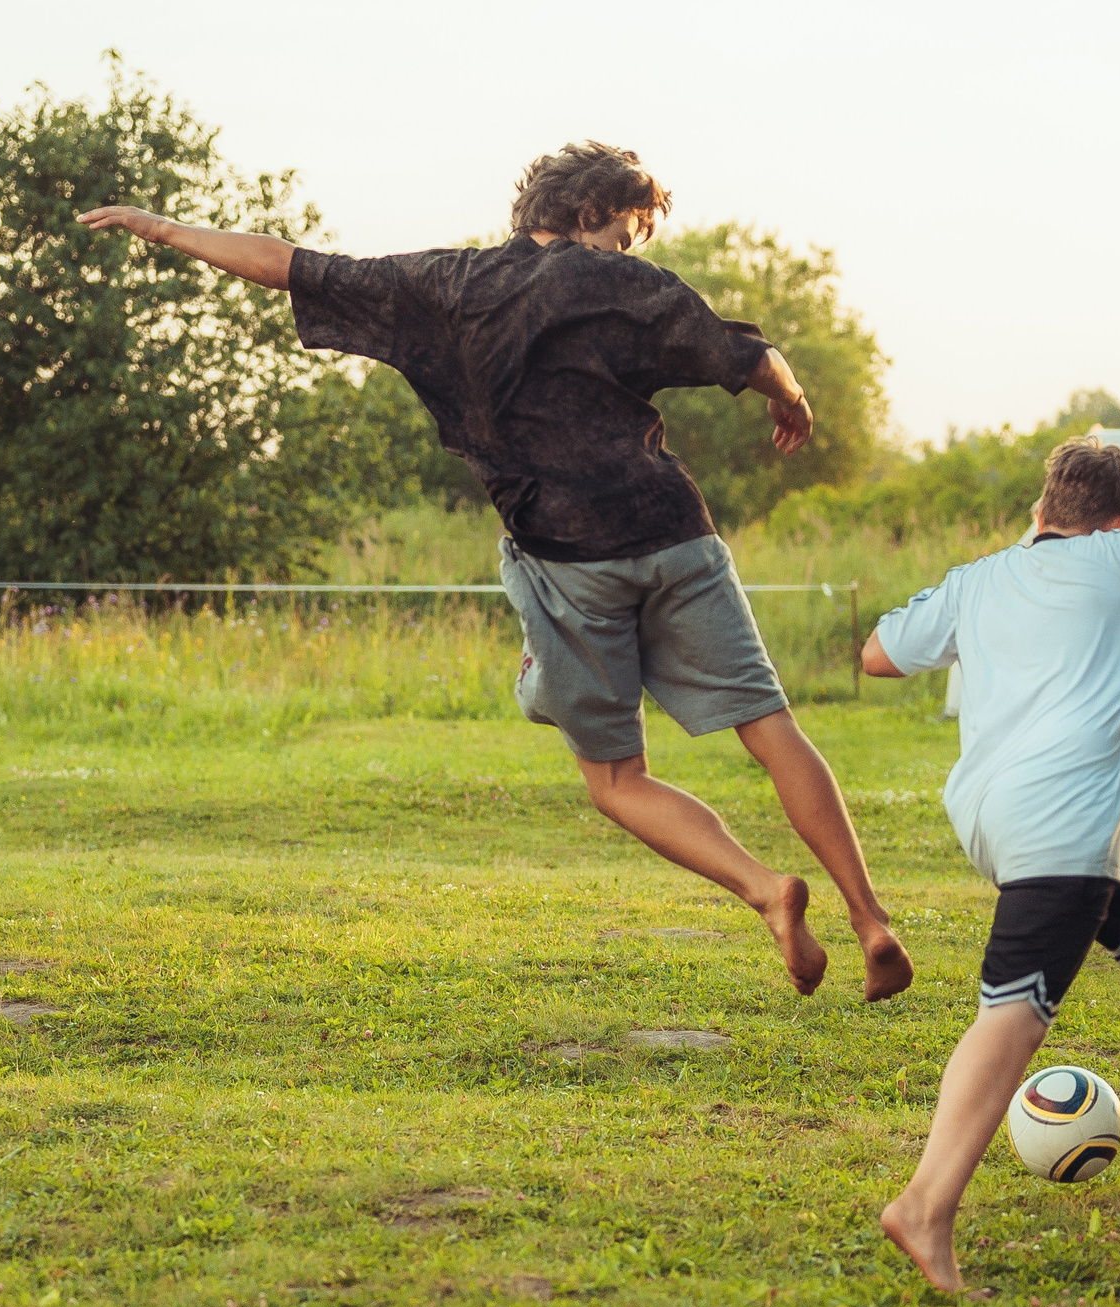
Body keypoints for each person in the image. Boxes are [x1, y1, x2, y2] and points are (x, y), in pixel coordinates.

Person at [79, 142, 912, 1001]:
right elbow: (754, 358)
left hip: (568, 557)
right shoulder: (630, 286)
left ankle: (766, 891)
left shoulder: (447, 285)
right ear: (591, 212)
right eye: (629, 232)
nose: (630, 249)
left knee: (617, 780)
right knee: (771, 730)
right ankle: (871, 918)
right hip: (674, 532)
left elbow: (288, 264)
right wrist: (793, 399)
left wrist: (164, 228)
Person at [861, 438, 1120, 1294]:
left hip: (993, 820)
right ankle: (924, 1205)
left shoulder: (982, 578)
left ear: (1043, 509)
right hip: (1062, 827)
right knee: (1013, 1013)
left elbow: (878, 652)